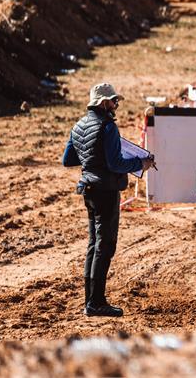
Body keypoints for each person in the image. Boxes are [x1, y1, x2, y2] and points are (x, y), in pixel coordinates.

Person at [62, 83, 154, 317]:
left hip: (89, 188)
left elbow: (68, 159)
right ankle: (96, 302)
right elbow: (115, 164)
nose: (116, 105)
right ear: (104, 103)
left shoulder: (78, 125)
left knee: (94, 245)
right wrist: (139, 164)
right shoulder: (107, 126)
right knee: (105, 245)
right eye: (114, 101)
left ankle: (90, 301)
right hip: (106, 189)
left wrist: (91, 158)